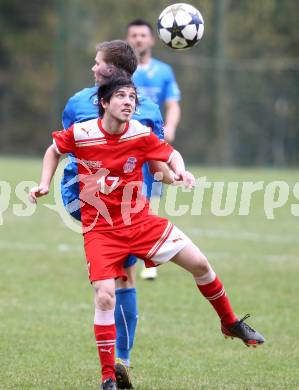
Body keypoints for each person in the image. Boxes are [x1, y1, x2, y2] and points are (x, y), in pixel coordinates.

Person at [30, 76, 264, 390]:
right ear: (104, 102)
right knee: (104, 297)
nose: (129, 102)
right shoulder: (82, 133)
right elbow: (53, 150)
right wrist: (44, 183)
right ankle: (108, 378)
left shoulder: (140, 134)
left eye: (132, 97)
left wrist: (181, 170)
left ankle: (230, 322)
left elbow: (170, 155)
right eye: (122, 96)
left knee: (201, 265)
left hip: (141, 225)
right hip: (101, 231)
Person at [60, 40, 168, 389]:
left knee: (118, 280)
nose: (93, 68)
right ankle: (120, 358)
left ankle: (119, 361)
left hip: (121, 206)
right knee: (119, 278)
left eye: (98, 63)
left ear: (113, 71)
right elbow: (66, 147)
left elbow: (158, 157)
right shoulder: (80, 102)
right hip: (98, 205)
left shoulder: (145, 109)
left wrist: (170, 173)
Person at [126, 19, 182, 280]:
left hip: (151, 143)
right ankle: (136, 257)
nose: (138, 39)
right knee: (132, 194)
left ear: (152, 39)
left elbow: (172, 104)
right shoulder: (123, 72)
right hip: (125, 144)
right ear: (128, 40)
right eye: (134, 35)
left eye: (143, 35)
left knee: (149, 193)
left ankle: (148, 257)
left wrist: (169, 127)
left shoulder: (164, 71)